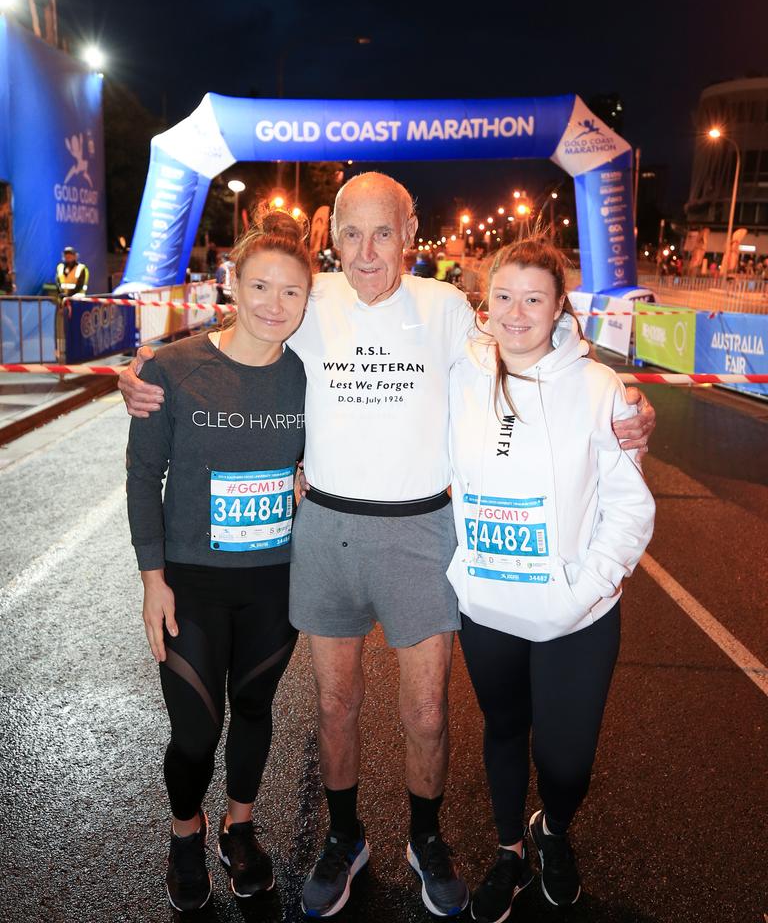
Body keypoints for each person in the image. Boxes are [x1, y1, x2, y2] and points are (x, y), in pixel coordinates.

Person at [119, 172, 656, 919]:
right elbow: (236, 338)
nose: (366, 252)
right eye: (350, 233)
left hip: (419, 528)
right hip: (327, 528)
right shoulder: (307, 304)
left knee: (428, 711)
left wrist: (626, 394)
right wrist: (145, 372)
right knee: (336, 705)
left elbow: (532, 338)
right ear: (329, 237)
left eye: (383, 234)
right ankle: (345, 838)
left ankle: (425, 838)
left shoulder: (443, 309)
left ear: (409, 236)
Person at [447, 240, 655, 922]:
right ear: (486, 303)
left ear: (559, 306)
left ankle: (552, 829)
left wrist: (586, 584)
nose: (516, 312)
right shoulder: (460, 373)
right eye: (503, 296)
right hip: (489, 608)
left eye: (534, 298)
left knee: (566, 764)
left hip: (577, 616)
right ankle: (509, 851)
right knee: (504, 730)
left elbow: (630, 505)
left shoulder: (598, 388)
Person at [125, 208, 310, 912]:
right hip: (192, 585)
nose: (274, 304)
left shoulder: (307, 376)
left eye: (291, 292)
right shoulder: (172, 368)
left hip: (274, 583)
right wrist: (153, 582)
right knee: (196, 730)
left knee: (255, 708)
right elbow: (144, 476)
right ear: (232, 284)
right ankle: (184, 832)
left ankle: (239, 827)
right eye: (260, 286)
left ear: (306, 301)